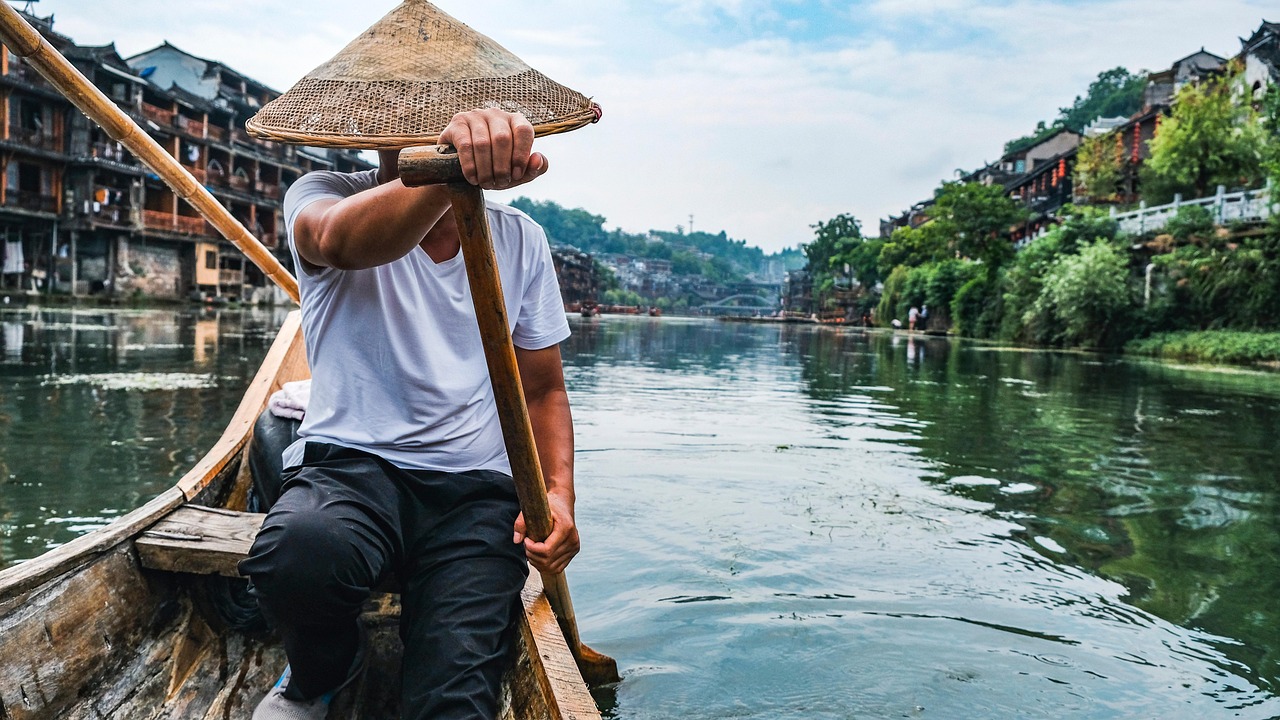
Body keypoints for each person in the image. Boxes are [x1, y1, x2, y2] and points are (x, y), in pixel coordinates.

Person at [241, 109, 579, 720]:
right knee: (296, 557)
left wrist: (558, 496)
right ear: (377, 127)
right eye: (411, 118)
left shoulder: (521, 238)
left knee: (454, 702)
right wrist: (451, 173)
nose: (423, 126)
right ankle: (325, 669)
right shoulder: (324, 194)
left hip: (475, 494)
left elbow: (543, 390)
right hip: (349, 469)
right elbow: (338, 242)